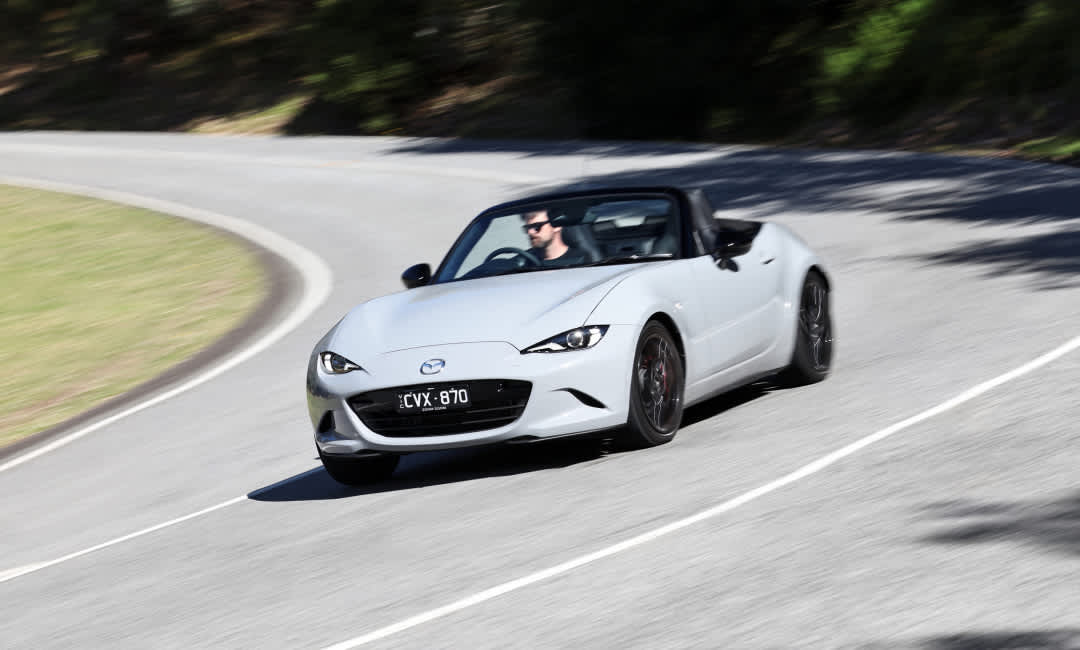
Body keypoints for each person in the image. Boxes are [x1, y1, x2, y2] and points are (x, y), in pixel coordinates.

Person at [522, 209, 589, 267]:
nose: (530, 232)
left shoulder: (580, 260)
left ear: (557, 226)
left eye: (537, 226)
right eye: (527, 227)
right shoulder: (526, 261)